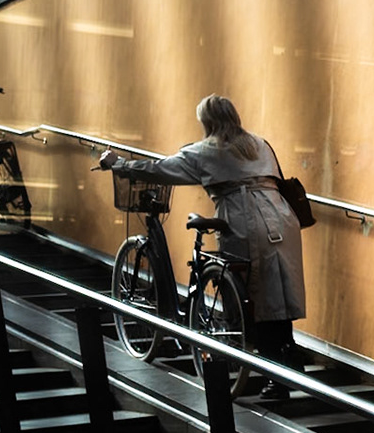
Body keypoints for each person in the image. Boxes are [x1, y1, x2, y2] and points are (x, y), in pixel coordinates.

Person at [98, 95, 307, 400]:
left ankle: (276, 377)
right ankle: (289, 360)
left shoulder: (206, 150)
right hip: (283, 220)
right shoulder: (259, 144)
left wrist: (119, 165)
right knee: (278, 297)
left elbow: (159, 169)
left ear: (207, 122)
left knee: (256, 299)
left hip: (246, 220)